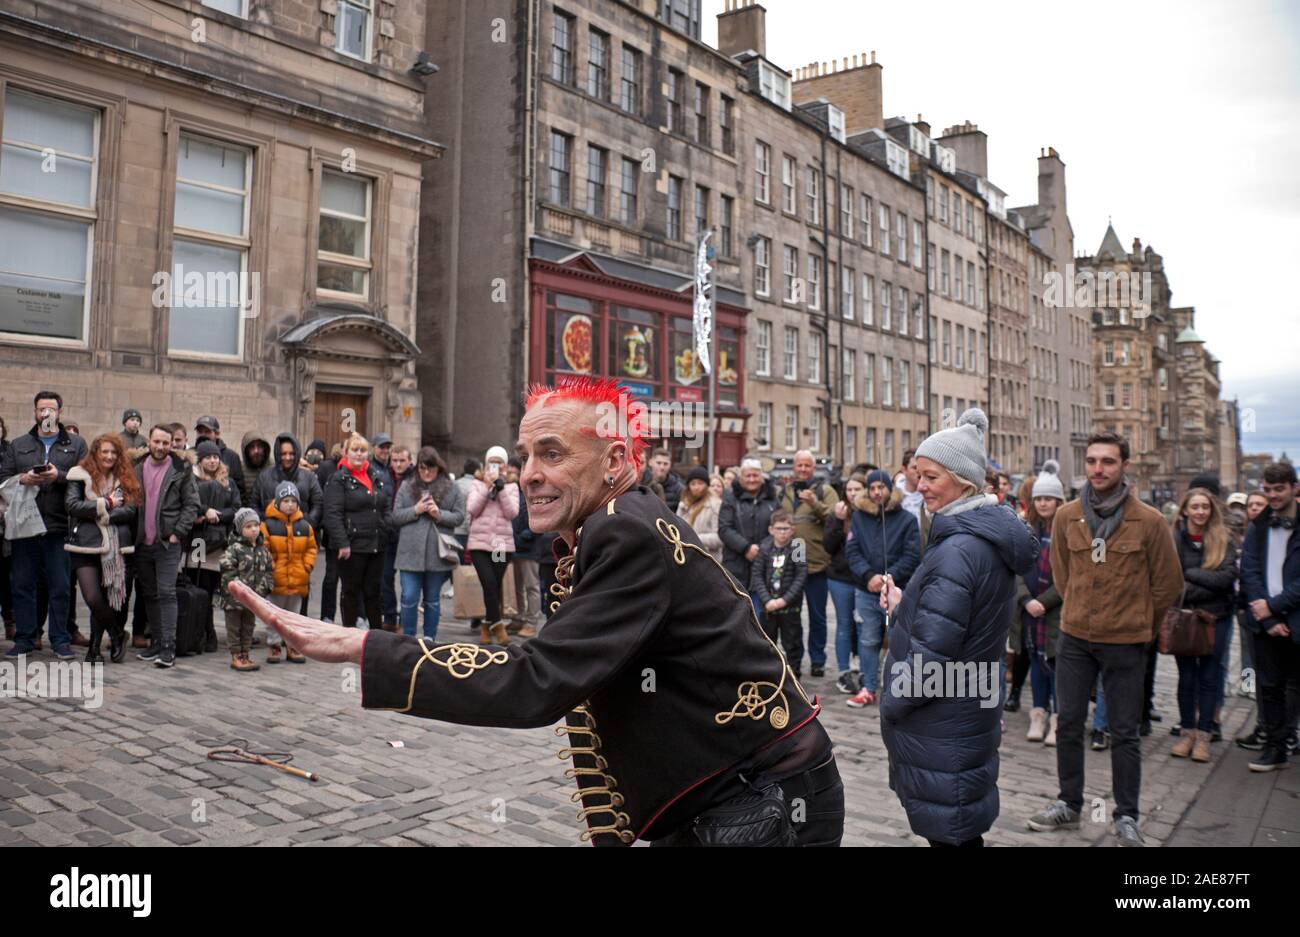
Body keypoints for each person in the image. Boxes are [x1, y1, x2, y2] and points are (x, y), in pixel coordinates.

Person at [231, 376, 844, 846]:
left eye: (552, 453)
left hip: (763, 803)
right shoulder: (618, 519)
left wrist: (360, 647)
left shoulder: (624, 531)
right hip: (737, 793)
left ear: (616, 462)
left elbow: (534, 681)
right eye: (525, 455)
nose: (529, 475)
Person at [877, 408, 1038, 847]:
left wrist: (892, 702)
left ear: (963, 481)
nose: (919, 486)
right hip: (967, 706)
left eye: (931, 477)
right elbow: (956, 620)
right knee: (960, 829)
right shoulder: (980, 538)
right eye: (917, 475)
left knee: (952, 835)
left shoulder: (958, 548)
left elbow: (933, 653)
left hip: (943, 716)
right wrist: (907, 601)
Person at [1027, 432, 1183, 846]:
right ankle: (1068, 803)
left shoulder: (1148, 521)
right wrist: (1078, 604)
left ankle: (1126, 815)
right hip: (1076, 636)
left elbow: (1168, 584)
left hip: (1126, 640)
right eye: (1092, 460)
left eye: (1108, 462)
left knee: (1124, 731)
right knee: (1070, 723)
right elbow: (1062, 575)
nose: (1098, 469)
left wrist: (1140, 624)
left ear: (1124, 466)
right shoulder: (1066, 516)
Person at [0, 391, 89, 661]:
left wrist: (58, 476)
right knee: (22, 585)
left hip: (59, 526)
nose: (46, 414)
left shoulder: (76, 444)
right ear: (35, 412)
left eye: (51, 409)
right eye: (41, 410)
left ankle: (60, 640)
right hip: (25, 526)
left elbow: (86, 478)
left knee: (60, 586)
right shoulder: (19, 444)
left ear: (59, 412)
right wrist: (23, 478)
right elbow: (3, 477)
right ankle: (26, 638)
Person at [1239, 462, 1300, 771]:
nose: (1273, 495)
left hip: (1294, 616)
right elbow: (1248, 571)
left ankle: (1291, 737)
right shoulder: (1259, 525)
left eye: (1280, 489)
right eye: (1268, 489)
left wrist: (1275, 607)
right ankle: (1275, 747)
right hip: (1266, 623)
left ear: (1294, 488)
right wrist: (1266, 617)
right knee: (1270, 686)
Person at [1169, 487, 1237, 762]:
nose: (1200, 512)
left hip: (1216, 618)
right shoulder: (1174, 539)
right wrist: (1203, 580)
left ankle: (1204, 735)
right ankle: (1187, 732)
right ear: (1185, 510)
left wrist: (1191, 575)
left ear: (1211, 510)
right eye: (1194, 507)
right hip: (1184, 617)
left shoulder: (1224, 539)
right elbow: (1171, 581)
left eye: (1204, 507)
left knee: (1209, 678)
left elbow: (1227, 579)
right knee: (1187, 678)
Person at [844, 469, 922, 707]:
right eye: (873, 488)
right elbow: (852, 550)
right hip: (866, 589)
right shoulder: (859, 518)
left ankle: (898, 688)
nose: (878, 492)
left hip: (896, 590)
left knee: (899, 639)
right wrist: (869, 576)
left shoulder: (907, 519)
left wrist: (890, 577)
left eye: (882, 487)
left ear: (890, 489)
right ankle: (868, 687)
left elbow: (912, 554)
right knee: (868, 639)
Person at [63, 433, 139, 664]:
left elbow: (130, 510)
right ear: (95, 452)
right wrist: (105, 503)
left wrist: (104, 515)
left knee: (106, 597)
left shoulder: (125, 478)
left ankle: (94, 648)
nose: (109, 456)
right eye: (104, 451)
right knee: (93, 597)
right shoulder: (79, 474)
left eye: (113, 452)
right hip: (85, 544)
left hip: (115, 546)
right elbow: (72, 505)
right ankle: (117, 634)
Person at [132, 424, 200, 668]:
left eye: (165, 443)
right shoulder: (137, 467)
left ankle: (169, 647)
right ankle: (157, 643)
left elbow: (192, 504)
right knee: (149, 594)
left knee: (167, 593)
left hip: (167, 543)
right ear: (148, 441)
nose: (160, 447)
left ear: (172, 444)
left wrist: (177, 533)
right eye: (156, 442)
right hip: (142, 542)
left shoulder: (181, 469)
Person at [1012, 460, 1065, 746]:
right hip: (1029, 610)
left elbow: (1070, 575)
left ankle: (1058, 718)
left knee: (1054, 664)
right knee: (1035, 663)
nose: (1044, 504)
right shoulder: (1025, 529)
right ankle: (1038, 714)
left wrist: (1044, 602)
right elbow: (1016, 568)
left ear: (1058, 501)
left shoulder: (1066, 530)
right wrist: (1025, 599)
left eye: (1049, 499)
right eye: (1040, 498)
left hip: (1055, 611)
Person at [777, 450, 840, 677]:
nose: (803, 469)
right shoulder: (784, 492)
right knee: (791, 616)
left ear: (814, 468)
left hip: (816, 564)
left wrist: (815, 504)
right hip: (789, 566)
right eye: (799, 465)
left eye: (807, 466)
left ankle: (818, 660)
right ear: (794, 467)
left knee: (817, 616)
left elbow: (835, 520)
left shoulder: (826, 491)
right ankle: (795, 659)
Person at [392, 446, 465, 641]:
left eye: (430, 469)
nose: (426, 473)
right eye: (422, 468)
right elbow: (396, 517)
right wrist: (415, 510)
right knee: (408, 598)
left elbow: (459, 517)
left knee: (432, 600)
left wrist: (438, 514)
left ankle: (429, 637)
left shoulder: (452, 488)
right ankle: (408, 637)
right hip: (409, 554)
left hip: (437, 554)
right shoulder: (407, 486)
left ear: (438, 468)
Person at [323, 434, 393, 631]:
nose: (359, 454)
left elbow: (385, 508)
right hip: (352, 546)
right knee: (351, 591)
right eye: (355, 450)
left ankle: (377, 635)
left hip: (376, 544)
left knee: (374, 591)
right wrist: (342, 543)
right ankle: (349, 633)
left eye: (363, 450)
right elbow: (332, 513)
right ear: (346, 453)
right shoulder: (338, 479)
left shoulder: (374, 477)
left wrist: (387, 529)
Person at [466, 445, 520, 645]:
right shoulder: (477, 483)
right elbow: (472, 509)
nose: (495, 466)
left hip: (500, 545)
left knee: (494, 587)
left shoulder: (512, 485)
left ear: (505, 466)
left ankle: (486, 626)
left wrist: (501, 489)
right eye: (492, 462)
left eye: (499, 463)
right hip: (479, 544)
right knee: (488, 583)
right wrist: (488, 488)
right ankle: (498, 626)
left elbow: (512, 513)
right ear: (486, 464)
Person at [718, 458, 780, 616]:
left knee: (761, 617)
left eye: (755, 475)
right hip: (736, 564)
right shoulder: (730, 497)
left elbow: (778, 527)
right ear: (741, 477)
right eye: (748, 476)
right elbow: (724, 529)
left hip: (766, 565)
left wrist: (763, 549)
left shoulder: (772, 499)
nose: (752, 479)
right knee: (737, 614)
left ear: (761, 477)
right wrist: (746, 547)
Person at [261, 482, 314, 664]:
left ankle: (292, 645)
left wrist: (307, 566)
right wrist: (272, 567)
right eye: (286, 500)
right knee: (274, 616)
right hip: (276, 580)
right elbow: (264, 548)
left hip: (298, 580)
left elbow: (311, 548)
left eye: (293, 501)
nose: (290, 504)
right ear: (277, 503)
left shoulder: (305, 526)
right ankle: (274, 645)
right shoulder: (268, 525)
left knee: (294, 616)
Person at [823, 473, 867, 694]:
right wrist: (839, 522)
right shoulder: (838, 513)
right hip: (840, 577)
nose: (852, 494)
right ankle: (843, 671)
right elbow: (828, 546)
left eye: (857, 489)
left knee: (863, 626)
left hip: (864, 579)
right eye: (849, 489)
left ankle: (861, 668)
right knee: (844, 625)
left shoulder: (870, 512)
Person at [750, 509, 808, 675]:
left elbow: (801, 575)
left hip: (789, 607)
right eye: (779, 528)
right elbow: (757, 574)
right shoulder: (765, 546)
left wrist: (785, 600)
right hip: (769, 607)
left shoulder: (797, 546)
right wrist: (767, 600)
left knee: (793, 643)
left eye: (786, 529)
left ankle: (794, 676)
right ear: (771, 530)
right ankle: (770, 675)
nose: (782, 533)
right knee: (768, 642)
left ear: (793, 529)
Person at [217, 508, 274, 672]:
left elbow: (269, 571)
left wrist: (266, 587)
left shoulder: (263, 551)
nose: (254, 529)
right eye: (249, 526)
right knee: (234, 627)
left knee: (249, 627)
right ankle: (236, 654)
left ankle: (245, 653)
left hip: (253, 599)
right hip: (234, 600)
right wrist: (237, 588)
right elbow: (227, 569)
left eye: (256, 525)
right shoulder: (234, 548)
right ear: (240, 529)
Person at [188, 439, 242, 609]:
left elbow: (235, 508)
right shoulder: (192, 481)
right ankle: (201, 630)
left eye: (215, 457)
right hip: (198, 540)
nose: (212, 460)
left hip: (220, 540)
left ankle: (208, 629)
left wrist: (218, 516)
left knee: (212, 587)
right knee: (198, 584)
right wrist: (205, 511)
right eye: (208, 457)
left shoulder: (229, 482)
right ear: (200, 460)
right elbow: (189, 503)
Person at [377, 443, 413, 631]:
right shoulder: (383, 478)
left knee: (408, 584)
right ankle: (390, 617)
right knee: (385, 579)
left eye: (402, 461)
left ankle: (405, 620)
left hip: (408, 536)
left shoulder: (416, 480)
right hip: (388, 536)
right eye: (395, 461)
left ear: (410, 461)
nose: (398, 464)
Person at [506, 457, 542, 637]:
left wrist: (523, 537)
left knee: (531, 586)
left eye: (514, 470)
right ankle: (518, 618)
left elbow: (540, 519)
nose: (511, 473)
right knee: (517, 587)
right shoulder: (511, 491)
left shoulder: (532, 491)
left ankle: (531, 622)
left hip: (529, 548)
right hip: (514, 548)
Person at [676, 466, 723, 562]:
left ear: (706, 485)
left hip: (708, 560)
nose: (696, 487)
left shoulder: (715, 505)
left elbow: (720, 537)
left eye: (700, 483)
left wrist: (694, 538)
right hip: (686, 558)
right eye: (693, 484)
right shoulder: (683, 505)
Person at [194, 416, 245, 501]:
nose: (203, 435)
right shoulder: (190, 455)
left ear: (217, 434)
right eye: (200, 432)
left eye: (207, 432)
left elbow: (239, 491)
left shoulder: (232, 457)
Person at [452, 458, 481, 561]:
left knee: (457, 566)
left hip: (456, 529)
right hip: (473, 531)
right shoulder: (478, 486)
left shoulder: (455, 484)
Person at [236, 426, 270, 509]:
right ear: (246, 450)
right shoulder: (239, 468)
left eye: (259, 446)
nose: (256, 451)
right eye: (252, 447)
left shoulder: (273, 466)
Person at [896, 449, 923, 519]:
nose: (919, 472)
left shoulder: (931, 495)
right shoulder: (894, 497)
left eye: (921, 468)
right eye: (914, 468)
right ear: (904, 470)